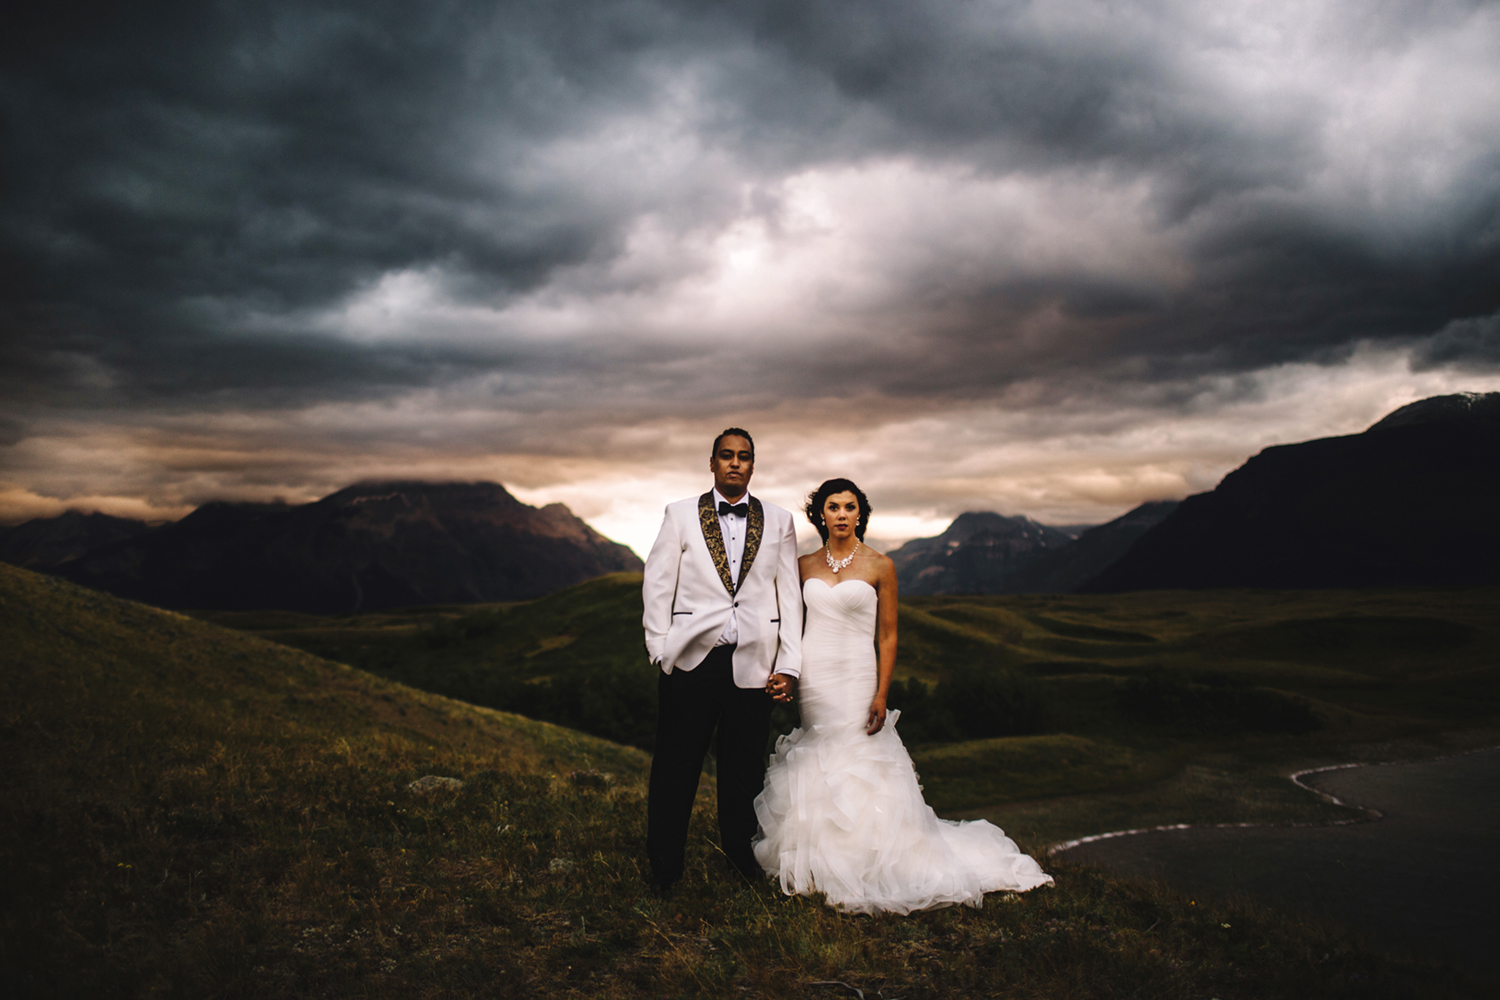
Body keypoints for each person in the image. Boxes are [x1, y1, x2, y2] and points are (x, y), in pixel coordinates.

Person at [751, 478, 1053, 914]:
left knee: (859, 757)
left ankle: (869, 861)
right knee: (820, 753)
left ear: (860, 514)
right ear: (820, 514)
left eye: (849, 506)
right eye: (832, 506)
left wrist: (881, 693)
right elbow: (791, 628)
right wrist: (789, 673)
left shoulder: (881, 566)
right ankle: (820, 860)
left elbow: (888, 637)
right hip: (816, 677)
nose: (840, 514)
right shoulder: (802, 566)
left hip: (857, 676)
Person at [641, 428, 804, 895]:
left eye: (744, 457)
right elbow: (657, 581)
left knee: (743, 771)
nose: (735, 463)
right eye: (726, 456)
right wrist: (660, 647)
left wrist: (788, 664)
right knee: (675, 767)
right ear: (711, 463)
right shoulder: (679, 515)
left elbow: (788, 596)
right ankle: (665, 870)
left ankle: (740, 860)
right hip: (691, 662)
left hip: (754, 664)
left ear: (753, 466)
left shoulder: (779, 520)